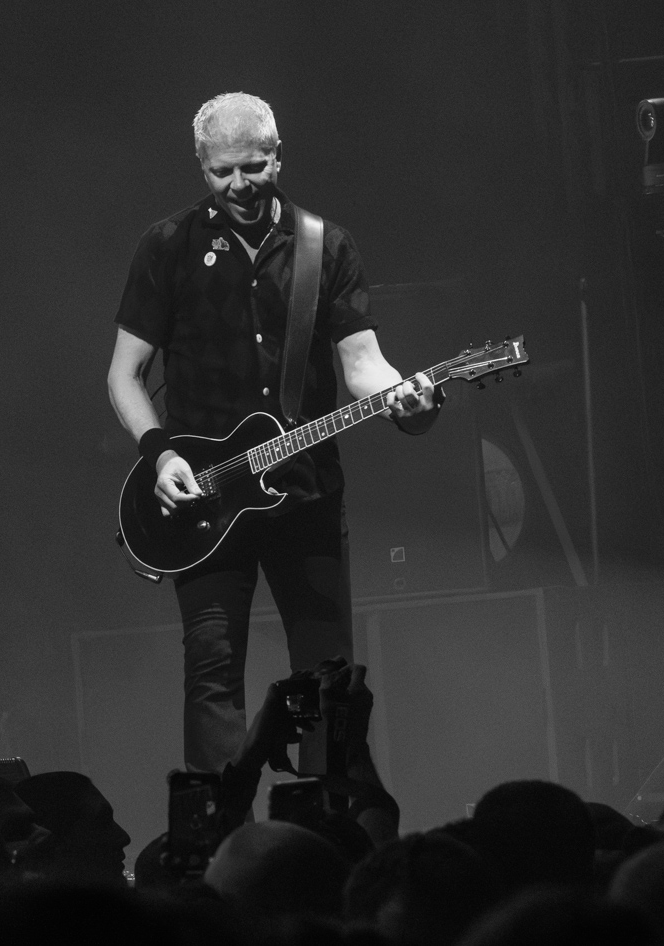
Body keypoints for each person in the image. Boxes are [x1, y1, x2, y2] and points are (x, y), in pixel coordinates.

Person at [107, 92, 440, 773]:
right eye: (222, 171)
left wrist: (406, 399)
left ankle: (329, 817)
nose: (240, 185)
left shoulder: (325, 246)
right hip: (203, 499)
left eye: (254, 167)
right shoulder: (167, 246)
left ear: (278, 155)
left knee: (328, 678)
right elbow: (124, 374)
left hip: (305, 492)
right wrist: (159, 455)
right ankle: (217, 826)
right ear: (201, 165)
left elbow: (363, 366)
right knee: (211, 676)